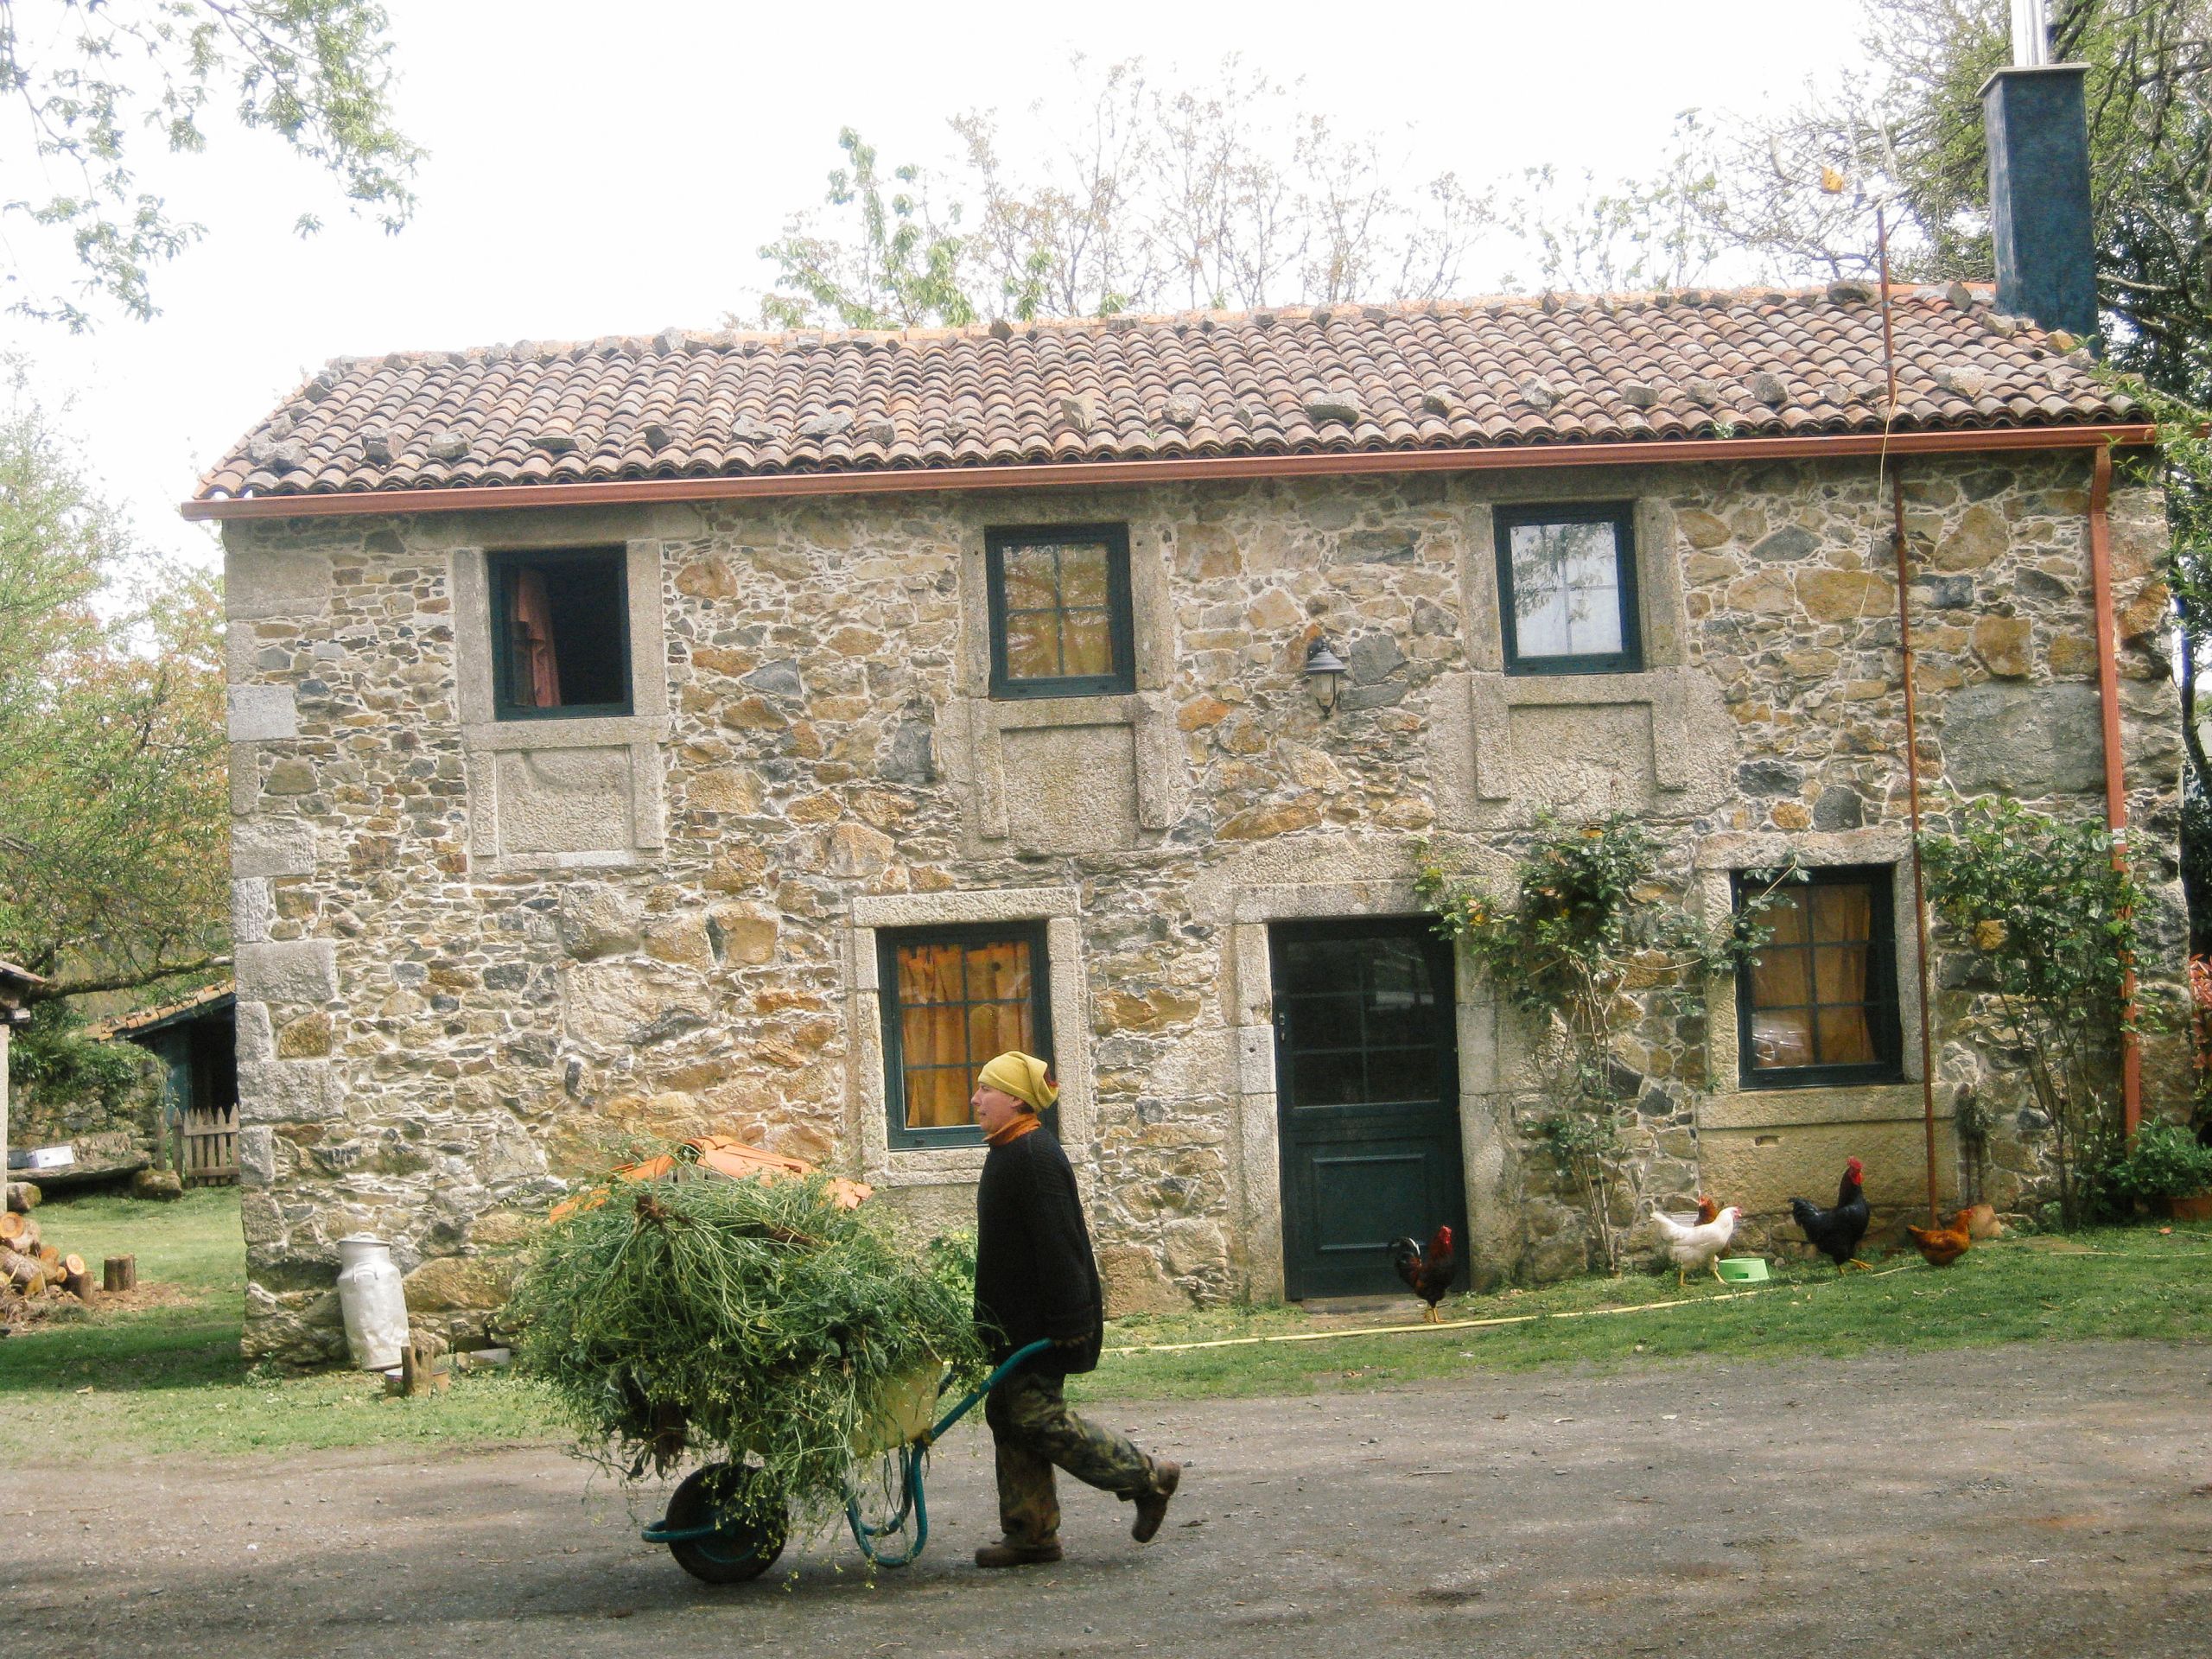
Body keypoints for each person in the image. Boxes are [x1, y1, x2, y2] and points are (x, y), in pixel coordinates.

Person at [968, 1050, 1180, 1568]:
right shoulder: (1008, 1150)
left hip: (1045, 1324)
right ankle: (1031, 1533)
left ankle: (1146, 1476)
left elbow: (1061, 1243)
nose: (975, 1100)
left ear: (1015, 1098)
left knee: (1034, 1415)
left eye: (985, 1090)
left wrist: (1069, 1320)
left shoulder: (1034, 1155)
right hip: (1014, 1322)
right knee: (1008, 1414)